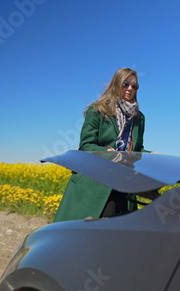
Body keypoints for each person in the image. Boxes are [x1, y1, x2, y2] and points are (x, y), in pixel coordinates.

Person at [53, 68, 149, 222]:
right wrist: (106, 152)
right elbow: (86, 146)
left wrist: (152, 155)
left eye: (134, 86)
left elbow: (137, 149)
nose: (130, 89)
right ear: (116, 84)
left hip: (124, 184)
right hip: (97, 183)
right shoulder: (98, 110)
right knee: (91, 234)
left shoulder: (139, 118)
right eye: (126, 84)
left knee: (120, 234)